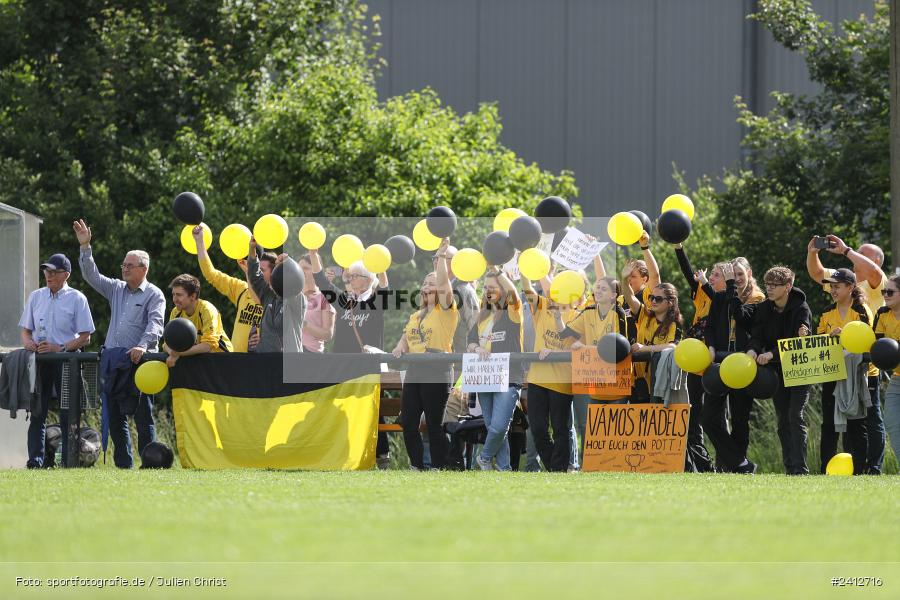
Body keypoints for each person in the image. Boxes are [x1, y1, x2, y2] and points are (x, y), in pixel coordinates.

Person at [75, 219, 165, 469]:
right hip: (114, 362)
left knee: (143, 417)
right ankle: (123, 466)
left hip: (140, 363)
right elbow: (91, 276)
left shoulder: (155, 294)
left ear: (143, 269)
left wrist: (144, 346)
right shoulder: (116, 288)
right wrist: (85, 247)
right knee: (115, 418)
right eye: (123, 264)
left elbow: (156, 325)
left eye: (129, 265)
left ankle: (151, 465)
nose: (124, 268)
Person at [806, 236, 887, 473]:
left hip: (864, 370)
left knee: (869, 421)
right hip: (836, 369)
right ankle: (833, 467)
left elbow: (870, 270)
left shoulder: (876, 282)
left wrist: (846, 250)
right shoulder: (835, 295)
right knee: (833, 422)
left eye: (862, 256)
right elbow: (818, 273)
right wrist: (812, 252)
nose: (855, 262)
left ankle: (872, 467)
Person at [310, 248, 391, 467]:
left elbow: (385, 287)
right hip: (343, 366)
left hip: (367, 367)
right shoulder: (344, 300)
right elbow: (322, 282)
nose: (350, 279)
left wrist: (380, 265)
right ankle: (344, 452)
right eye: (350, 276)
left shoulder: (376, 301)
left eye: (354, 276)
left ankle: (381, 454)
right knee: (342, 409)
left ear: (367, 279)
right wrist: (313, 254)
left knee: (373, 410)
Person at [18, 253, 94, 468]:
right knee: (37, 413)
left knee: (67, 414)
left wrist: (59, 347)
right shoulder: (36, 296)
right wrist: (28, 343)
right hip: (40, 362)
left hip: (66, 362)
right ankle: (35, 463)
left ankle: (68, 462)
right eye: (46, 271)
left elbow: (85, 337)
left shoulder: (78, 298)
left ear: (65, 275)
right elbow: (25, 331)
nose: (48, 275)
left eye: (53, 272)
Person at [391, 238, 458, 470]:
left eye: (432, 283)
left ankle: (440, 466)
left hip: (437, 368)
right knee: (408, 422)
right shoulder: (416, 315)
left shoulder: (446, 310)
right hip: (415, 369)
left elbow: (443, 282)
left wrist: (440, 256)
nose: (427, 286)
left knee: (434, 423)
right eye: (425, 283)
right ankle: (418, 465)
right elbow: (406, 335)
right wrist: (400, 346)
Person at [564, 259, 632, 463]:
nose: (598, 291)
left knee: (615, 425)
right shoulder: (589, 311)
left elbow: (619, 347)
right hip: (595, 380)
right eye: (596, 288)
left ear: (614, 295)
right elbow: (566, 332)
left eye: (603, 288)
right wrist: (559, 317)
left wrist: (585, 348)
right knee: (591, 425)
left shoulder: (619, 312)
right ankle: (590, 464)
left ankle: (616, 462)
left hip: (617, 380)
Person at [747, 266, 812, 475]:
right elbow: (757, 335)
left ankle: (801, 468)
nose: (770, 289)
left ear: (788, 286)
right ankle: (789, 467)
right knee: (783, 418)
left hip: (799, 368)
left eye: (775, 285)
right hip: (777, 371)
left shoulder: (802, 308)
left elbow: (798, 339)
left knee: (796, 415)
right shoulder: (765, 308)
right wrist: (752, 350)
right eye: (768, 285)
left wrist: (772, 354)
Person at [703, 260, 765, 473]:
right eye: (732, 275)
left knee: (740, 419)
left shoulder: (758, 299)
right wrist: (710, 346)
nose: (736, 279)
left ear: (748, 273)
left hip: (742, 365)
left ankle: (737, 467)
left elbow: (741, 316)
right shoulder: (721, 296)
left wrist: (730, 286)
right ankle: (741, 463)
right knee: (709, 417)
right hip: (720, 362)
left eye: (739, 274)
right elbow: (709, 326)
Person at [816, 268, 874, 475]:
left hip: (857, 375)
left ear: (850, 287)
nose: (833, 290)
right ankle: (825, 469)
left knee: (857, 423)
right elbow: (819, 343)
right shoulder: (826, 312)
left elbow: (868, 341)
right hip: (832, 373)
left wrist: (846, 335)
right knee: (829, 424)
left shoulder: (861, 310)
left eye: (837, 286)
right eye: (831, 286)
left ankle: (859, 470)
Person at [467, 267, 524, 471]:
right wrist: (477, 348)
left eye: (493, 287)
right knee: (494, 428)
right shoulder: (481, 316)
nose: (488, 291)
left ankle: (483, 458)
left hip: (509, 375)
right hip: (484, 377)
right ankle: (503, 467)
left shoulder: (512, 313)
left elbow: (514, 294)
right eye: (485, 287)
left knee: (500, 426)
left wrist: (499, 273)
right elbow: (470, 341)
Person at [521, 273, 578, 472]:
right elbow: (528, 288)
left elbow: (575, 347)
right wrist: (525, 269)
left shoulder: (577, 314)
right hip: (537, 378)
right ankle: (555, 467)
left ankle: (559, 469)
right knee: (537, 429)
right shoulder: (543, 306)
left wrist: (555, 352)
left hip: (562, 381)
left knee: (561, 429)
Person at [673, 242, 719, 473]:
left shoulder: (724, 297)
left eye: (716, 275)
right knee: (693, 415)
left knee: (716, 416)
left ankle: (723, 463)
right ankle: (700, 465)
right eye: (712, 274)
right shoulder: (700, 292)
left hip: (714, 361)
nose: (710, 277)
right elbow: (687, 272)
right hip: (694, 362)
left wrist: (708, 284)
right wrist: (679, 248)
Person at [192, 225, 264, 352]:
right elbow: (211, 274)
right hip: (237, 362)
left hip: (266, 361)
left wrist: (265, 338)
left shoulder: (276, 293)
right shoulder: (241, 289)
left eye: (261, 268)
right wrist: (199, 241)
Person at [621, 278, 683, 401]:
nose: (653, 301)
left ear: (670, 302)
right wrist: (624, 279)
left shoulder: (674, 324)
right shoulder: (644, 314)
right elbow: (629, 298)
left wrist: (644, 348)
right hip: (638, 382)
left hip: (661, 386)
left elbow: (673, 347)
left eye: (658, 299)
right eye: (651, 297)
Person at [245, 239, 306, 354]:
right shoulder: (268, 294)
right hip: (266, 360)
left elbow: (296, 281)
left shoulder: (296, 298)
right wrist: (252, 250)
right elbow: (254, 276)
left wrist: (288, 262)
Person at [164, 274, 234, 366]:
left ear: (193, 296)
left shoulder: (207, 310)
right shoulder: (176, 312)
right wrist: (172, 353)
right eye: (173, 294)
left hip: (222, 362)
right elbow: (167, 343)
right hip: (197, 362)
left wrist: (177, 353)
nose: (174, 299)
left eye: (179, 295)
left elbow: (207, 346)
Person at [874, 274, 900, 463]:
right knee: (892, 423)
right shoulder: (882, 313)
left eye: (890, 291)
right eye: (884, 291)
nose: (886, 295)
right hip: (897, 379)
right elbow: (878, 345)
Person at [298, 254, 335, 352]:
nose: (301, 271)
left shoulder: (325, 297)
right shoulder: (292, 295)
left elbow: (328, 334)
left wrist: (304, 324)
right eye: (299, 268)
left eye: (306, 268)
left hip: (311, 355)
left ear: (316, 270)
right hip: (289, 352)